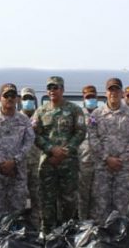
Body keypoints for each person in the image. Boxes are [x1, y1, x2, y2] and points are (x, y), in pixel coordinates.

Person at [33, 76, 86, 232]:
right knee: (47, 200)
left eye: (55, 87)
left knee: (68, 201)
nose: (52, 91)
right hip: (48, 164)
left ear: (62, 89)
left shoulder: (74, 110)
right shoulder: (40, 111)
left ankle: (67, 233)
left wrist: (65, 151)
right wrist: (51, 149)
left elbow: (81, 132)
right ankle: (48, 234)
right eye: (49, 88)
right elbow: (35, 134)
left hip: (68, 164)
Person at [88, 77, 129, 222]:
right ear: (106, 93)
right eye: (110, 90)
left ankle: (119, 239)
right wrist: (107, 158)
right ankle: (101, 239)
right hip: (102, 168)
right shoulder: (96, 115)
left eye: (116, 89)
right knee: (100, 206)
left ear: (122, 93)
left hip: (123, 169)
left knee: (121, 206)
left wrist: (121, 159)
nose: (113, 93)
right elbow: (92, 139)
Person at [0, 83, 35, 220]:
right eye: (6, 95)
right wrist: (2, 162)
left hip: (17, 175)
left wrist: (15, 161)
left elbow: (29, 142)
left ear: (17, 99)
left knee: (17, 215)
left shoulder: (24, 120)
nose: (10, 98)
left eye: (13, 96)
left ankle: (15, 241)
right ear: (0, 98)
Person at [20, 87, 42, 226]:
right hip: (20, 164)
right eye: (25, 98)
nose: (28, 101)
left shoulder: (40, 117)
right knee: (20, 198)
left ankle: (36, 227)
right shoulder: (16, 118)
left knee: (37, 198)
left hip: (36, 164)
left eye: (30, 99)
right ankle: (21, 228)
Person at [77, 85, 99, 220]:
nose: (90, 99)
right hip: (83, 163)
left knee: (98, 198)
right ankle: (82, 226)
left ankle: (96, 227)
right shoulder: (77, 114)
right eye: (87, 97)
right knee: (82, 197)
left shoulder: (102, 113)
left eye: (93, 96)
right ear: (83, 98)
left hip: (100, 164)